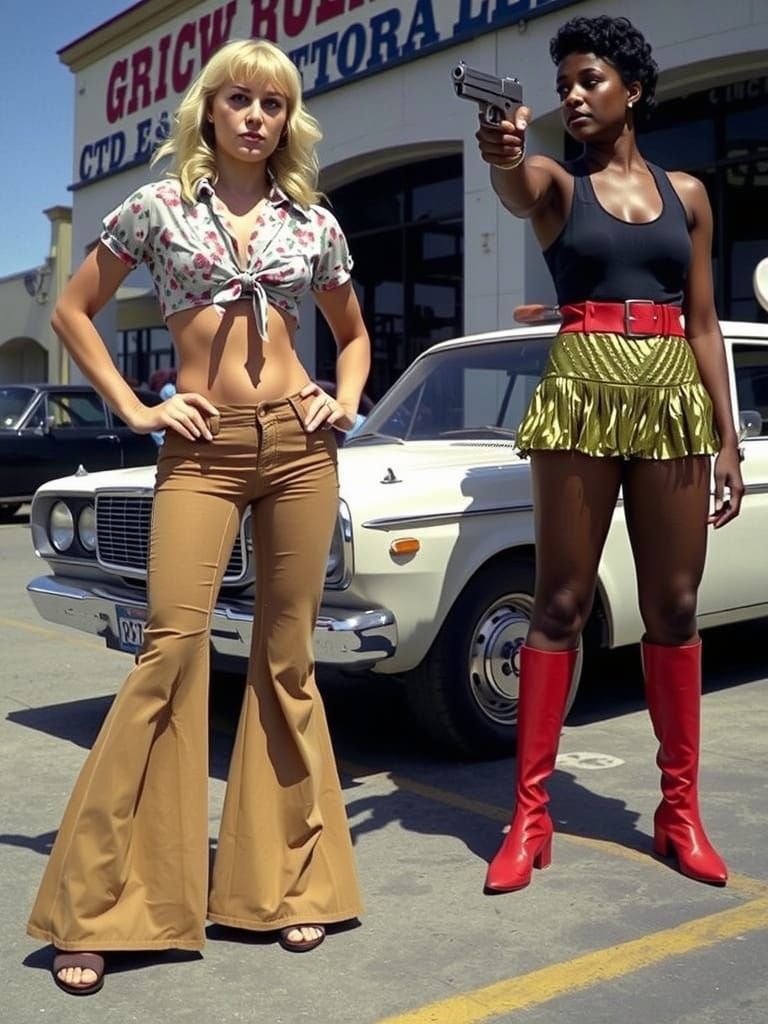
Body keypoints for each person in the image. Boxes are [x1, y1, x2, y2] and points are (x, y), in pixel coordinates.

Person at [27, 38, 370, 994]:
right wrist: (137, 409)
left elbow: (352, 334)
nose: (256, 116)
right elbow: (72, 309)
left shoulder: (314, 220)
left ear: (286, 119)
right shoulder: (158, 207)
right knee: (168, 654)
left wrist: (343, 400)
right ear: (209, 111)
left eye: (273, 103)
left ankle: (285, 885)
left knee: (287, 658)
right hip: (202, 450)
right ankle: (102, 904)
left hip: (301, 451)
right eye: (239, 100)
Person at [474, 15, 744, 894]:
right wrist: (504, 154)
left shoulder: (690, 195)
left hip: (673, 390)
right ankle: (529, 818)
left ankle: (679, 814)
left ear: (631, 87)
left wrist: (728, 436)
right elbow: (519, 189)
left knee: (674, 604)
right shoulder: (556, 181)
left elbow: (703, 321)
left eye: (589, 81)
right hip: (583, 381)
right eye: (563, 87)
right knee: (559, 600)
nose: (573, 97)